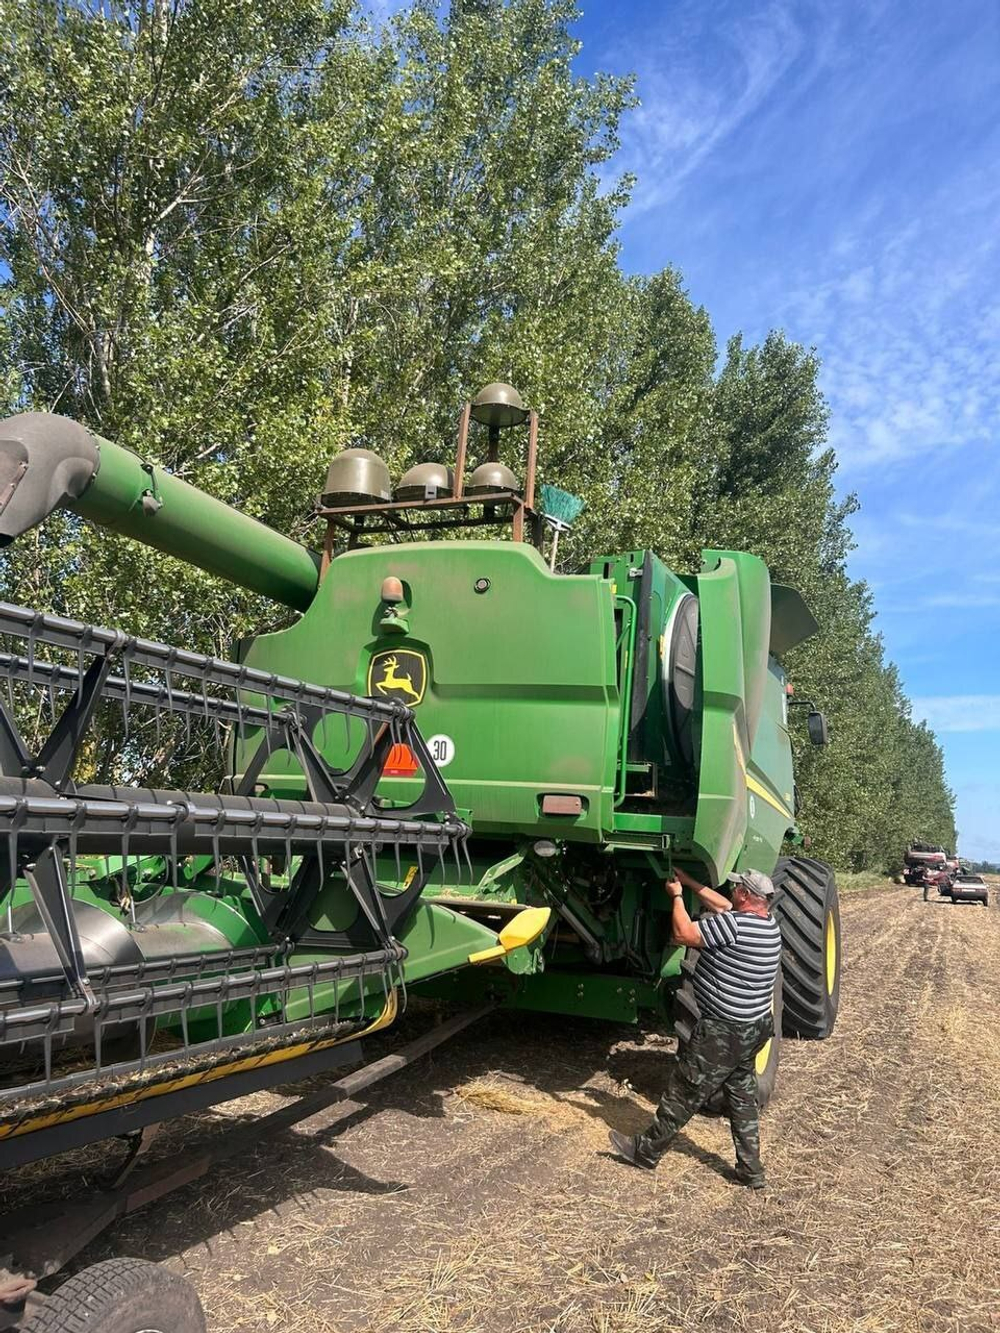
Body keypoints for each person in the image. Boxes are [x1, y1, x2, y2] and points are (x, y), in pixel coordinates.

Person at [607, 866, 782, 1189]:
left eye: (736, 888)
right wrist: (690, 883)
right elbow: (724, 906)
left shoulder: (734, 927)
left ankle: (645, 1152)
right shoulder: (768, 925)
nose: (731, 892)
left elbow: (683, 935)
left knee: (684, 1093)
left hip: (724, 1032)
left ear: (745, 894)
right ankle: (751, 1170)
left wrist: (676, 897)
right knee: (742, 1099)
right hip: (755, 1027)